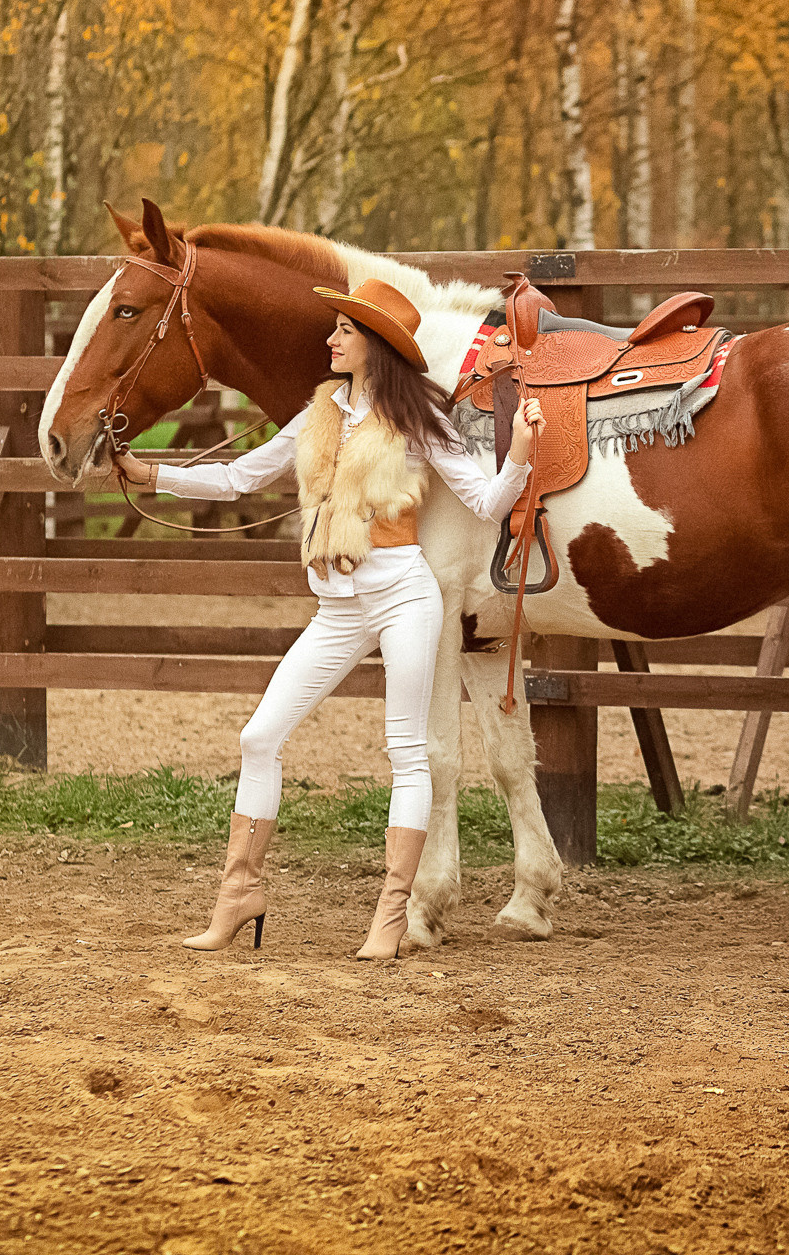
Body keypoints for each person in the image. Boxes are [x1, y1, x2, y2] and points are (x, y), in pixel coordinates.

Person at [114, 279, 543, 961]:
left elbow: (488, 504)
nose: (331, 338)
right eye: (336, 327)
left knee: (406, 753)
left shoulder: (419, 418)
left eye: (345, 329)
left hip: (403, 595)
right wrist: (153, 475)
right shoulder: (318, 413)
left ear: (376, 344)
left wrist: (518, 453)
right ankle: (239, 894)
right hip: (338, 606)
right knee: (260, 736)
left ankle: (392, 917)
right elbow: (242, 477)